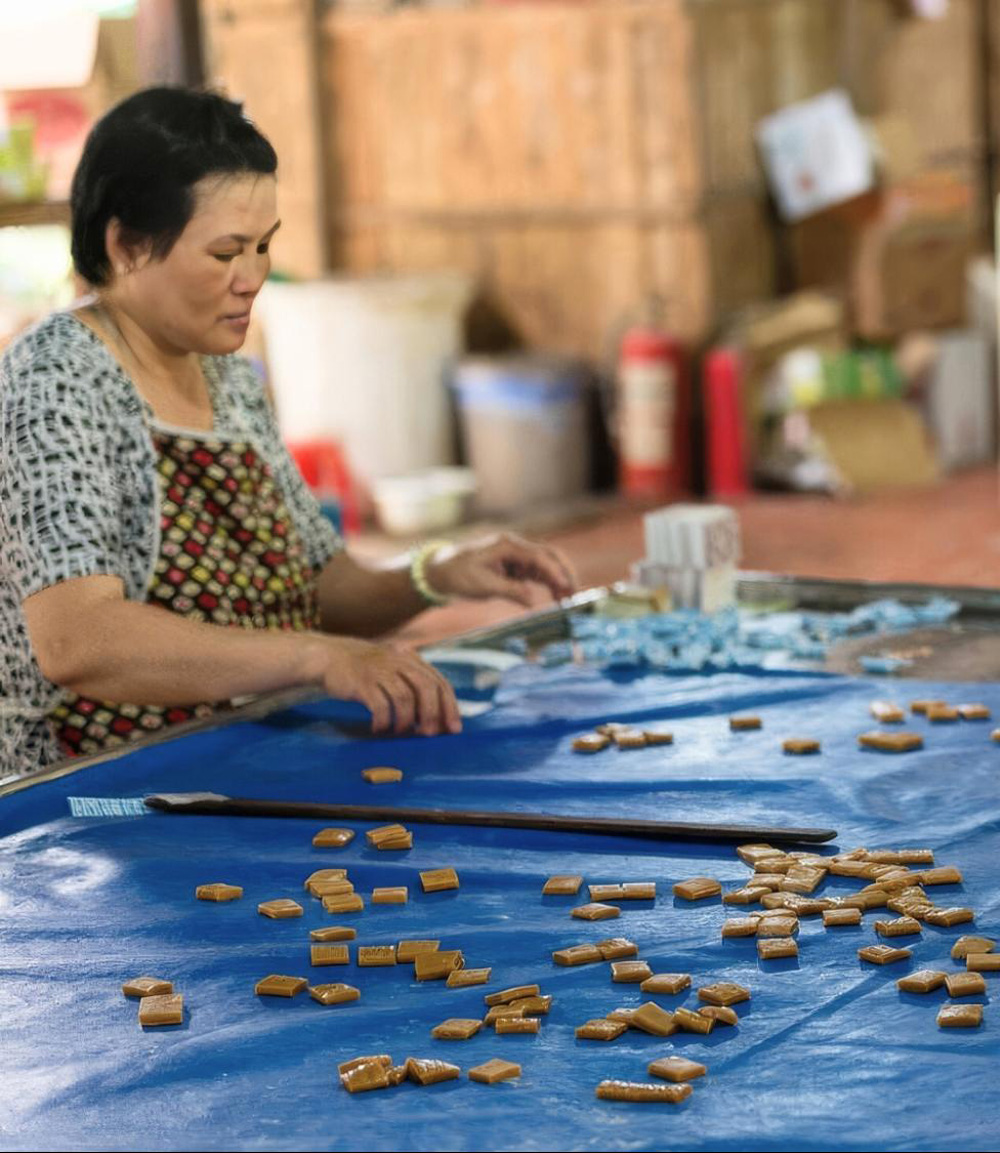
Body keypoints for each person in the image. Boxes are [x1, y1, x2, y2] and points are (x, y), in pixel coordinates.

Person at [0, 87, 577, 777]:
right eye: (224, 253)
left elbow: (318, 584)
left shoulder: (231, 382)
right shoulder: (53, 382)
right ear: (125, 244)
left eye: (264, 247)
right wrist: (313, 655)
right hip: (89, 803)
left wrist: (437, 572)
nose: (253, 279)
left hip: (230, 759)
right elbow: (79, 639)